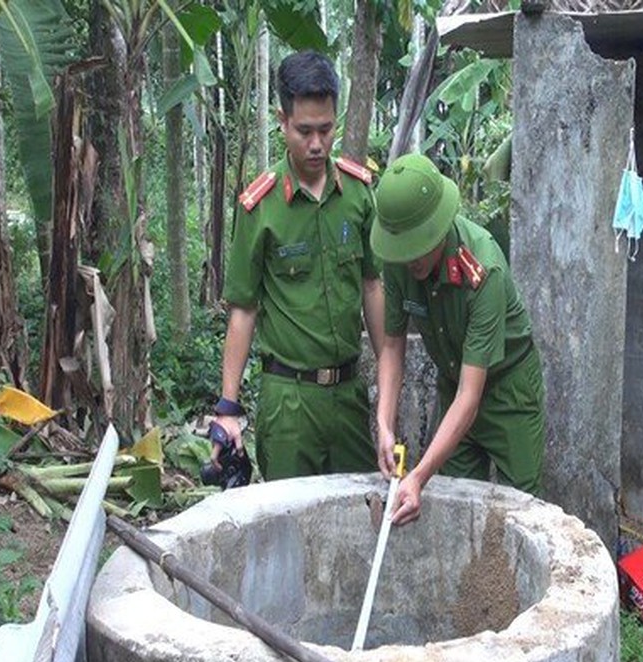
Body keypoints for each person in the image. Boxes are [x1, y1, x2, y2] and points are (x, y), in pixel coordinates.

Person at [211, 50, 384, 479]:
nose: (316, 144)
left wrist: (388, 383)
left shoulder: (360, 194)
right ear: (282, 120)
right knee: (287, 529)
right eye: (304, 130)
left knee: (356, 520)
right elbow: (243, 308)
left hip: (349, 396)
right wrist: (227, 409)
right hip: (289, 403)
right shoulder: (261, 206)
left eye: (326, 130)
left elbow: (372, 286)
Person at [371, 153, 545, 525]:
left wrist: (418, 476)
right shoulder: (401, 261)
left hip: (508, 388)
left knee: (522, 512)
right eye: (402, 251)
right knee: (460, 509)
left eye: (418, 247)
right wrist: (384, 423)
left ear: (438, 227)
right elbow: (391, 346)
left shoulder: (484, 270)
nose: (410, 261)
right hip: (454, 387)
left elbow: (472, 395)